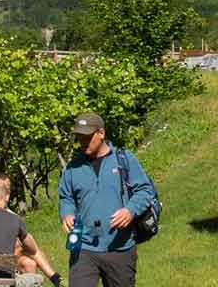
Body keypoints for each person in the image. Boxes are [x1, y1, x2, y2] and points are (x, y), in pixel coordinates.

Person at [57, 112, 155, 287]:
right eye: (79, 137)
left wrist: (130, 210)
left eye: (86, 136)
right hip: (83, 248)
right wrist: (67, 214)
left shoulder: (124, 159)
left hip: (120, 247)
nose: (82, 142)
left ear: (101, 133)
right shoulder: (72, 167)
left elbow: (145, 190)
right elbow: (66, 197)